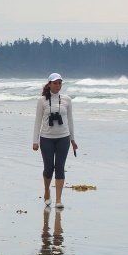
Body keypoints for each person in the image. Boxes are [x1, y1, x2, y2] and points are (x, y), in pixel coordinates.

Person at [32, 73, 77, 209]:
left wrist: (73, 140)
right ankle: (47, 191)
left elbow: (70, 121)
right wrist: (35, 141)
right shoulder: (42, 101)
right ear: (49, 84)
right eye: (55, 83)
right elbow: (37, 122)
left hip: (63, 137)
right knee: (48, 168)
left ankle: (58, 199)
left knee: (60, 168)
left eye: (60, 83)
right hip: (46, 138)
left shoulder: (67, 100)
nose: (58, 86)